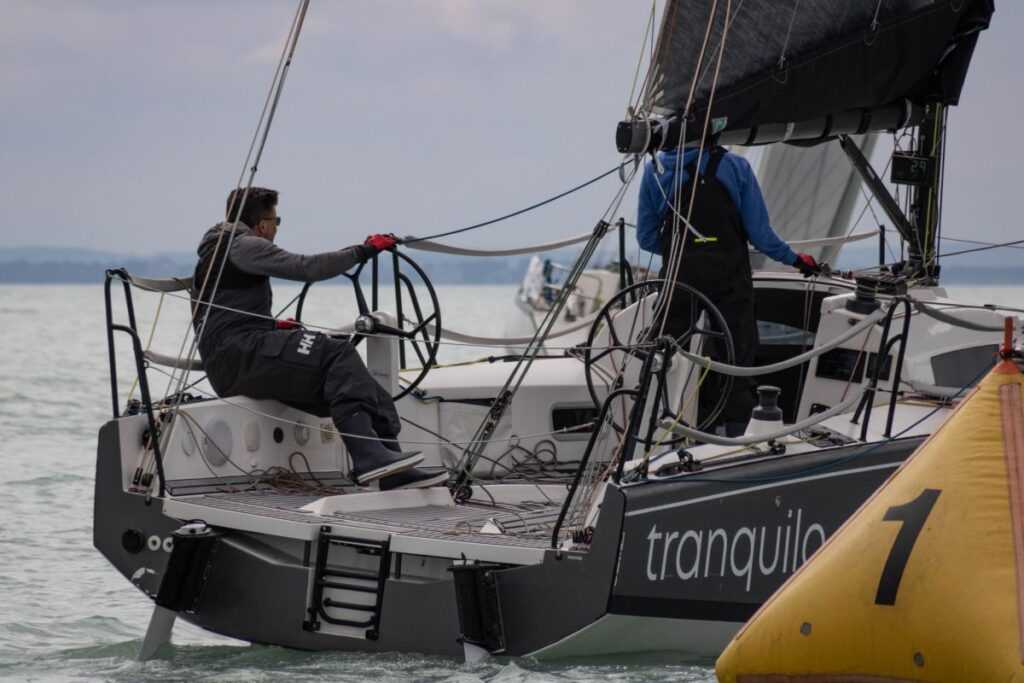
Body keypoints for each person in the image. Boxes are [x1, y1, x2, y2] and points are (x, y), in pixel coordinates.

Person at [191, 187, 447, 490]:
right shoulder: (244, 246)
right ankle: (367, 458)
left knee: (360, 382)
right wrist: (363, 251)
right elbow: (307, 267)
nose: (276, 228)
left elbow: (222, 315)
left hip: (237, 357)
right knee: (337, 354)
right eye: (276, 221)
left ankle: (392, 468)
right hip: (240, 357)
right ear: (262, 225)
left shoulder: (219, 250)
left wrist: (273, 326)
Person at [637, 132, 819, 436]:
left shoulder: (656, 171)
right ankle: (736, 436)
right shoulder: (736, 167)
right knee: (737, 357)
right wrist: (796, 260)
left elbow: (646, 238)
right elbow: (760, 235)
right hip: (729, 276)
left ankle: (651, 430)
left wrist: (681, 250)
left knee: (663, 353)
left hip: (680, 277)